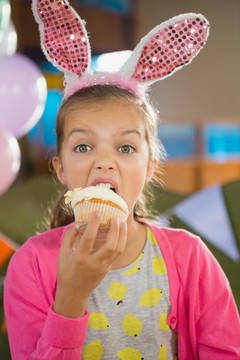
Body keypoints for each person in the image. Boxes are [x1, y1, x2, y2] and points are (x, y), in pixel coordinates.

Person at [4, 1, 240, 359]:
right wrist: (71, 296)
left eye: (126, 148)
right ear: (60, 169)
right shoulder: (30, 266)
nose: (104, 162)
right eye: (83, 146)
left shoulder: (190, 258)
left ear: (150, 167)